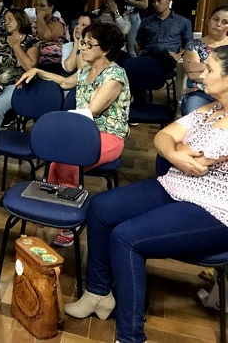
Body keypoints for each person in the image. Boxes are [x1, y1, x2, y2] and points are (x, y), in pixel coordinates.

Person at [64, 46, 228, 343]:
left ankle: (130, 337)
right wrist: (177, 154)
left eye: (210, 70)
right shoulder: (210, 109)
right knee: (100, 207)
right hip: (176, 185)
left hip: (215, 207)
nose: (201, 74)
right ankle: (99, 293)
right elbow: (162, 137)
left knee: (127, 238)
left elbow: (203, 162)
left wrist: (180, 151)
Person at [18, 22, 130, 246]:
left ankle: (69, 224)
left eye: (89, 45)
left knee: (68, 162)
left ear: (105, 50)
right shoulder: (87, 70)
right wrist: (38, 70)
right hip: (82, 131)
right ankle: (51, 208)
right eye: (82, 43)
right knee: (54, 161)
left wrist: (58, 126)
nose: (82, 49)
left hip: (107, 135)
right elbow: (65, 81)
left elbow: (91, 111)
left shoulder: (115, 76)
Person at [181, 6, 228, 115]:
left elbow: (196, 69)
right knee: (193, 114)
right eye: (216, 19)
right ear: (209, 20)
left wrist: (201, 67)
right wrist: (222, 71)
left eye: (225, 22)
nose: (219, 24)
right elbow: (193, 74)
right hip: (200, 93)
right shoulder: (194, 45)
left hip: (226, 95)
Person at [135, 0, 192, 72]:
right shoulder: (146, 21)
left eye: (159, 0)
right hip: (148, 56)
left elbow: (190, 44)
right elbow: (138, 42)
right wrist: (139, 53)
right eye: (153, 2)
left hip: (168, 59)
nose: (156, 4)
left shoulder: (183, 22)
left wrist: (179, 55)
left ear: (169, 0)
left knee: (160, 48)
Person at [31, 0, 66, 75]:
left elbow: (45, 36)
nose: (38, 8)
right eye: (37, 5)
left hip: (52, 61)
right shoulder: (32, 24)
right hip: (33, 59)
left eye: (42, 6)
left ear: (51, 7)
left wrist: (40, 18)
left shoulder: (58, 22)